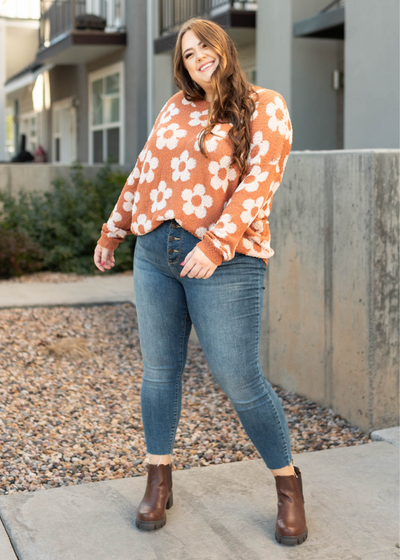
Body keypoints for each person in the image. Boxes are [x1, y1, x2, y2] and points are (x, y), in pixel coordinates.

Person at [94, 17, 307, 546]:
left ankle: (287, 485)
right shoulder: (175, 107)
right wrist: (114, 230)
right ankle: (159, 477)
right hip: (155, 253)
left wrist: (215, 245)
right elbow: (144, 171)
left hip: (226, 260)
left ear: (224, 48)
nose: (198, 57)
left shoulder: (265, 104)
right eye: (188, 54)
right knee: (160, 372)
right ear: (183, 65)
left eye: (204, 46)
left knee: (240, 378)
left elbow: (262, 181)